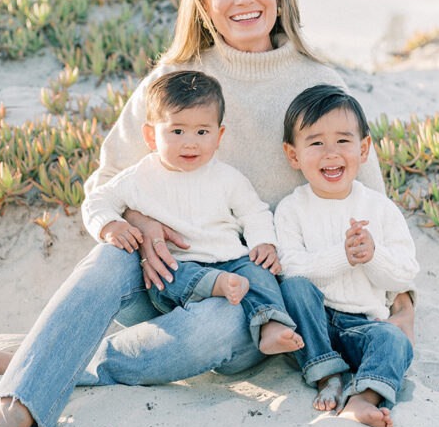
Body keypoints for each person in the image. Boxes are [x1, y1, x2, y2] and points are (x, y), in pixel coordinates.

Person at [0, 0, 416, 427]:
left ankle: (44, 359)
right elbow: (106, 183)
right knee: (107, 256)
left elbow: (373, 208)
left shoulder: (321, 87)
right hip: (159, 274)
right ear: (204, 2)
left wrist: (402, 311)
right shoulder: (175, 81)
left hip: (251, 300)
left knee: (215, 324)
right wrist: (138, 225)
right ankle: (8, 420)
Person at [84, 69, 302, 354]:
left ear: (219, 135)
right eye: (177, 131)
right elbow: (97, 201)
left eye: (202, 132)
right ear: (151, 136)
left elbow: (254, 212)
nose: (190, 142)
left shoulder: (227, 177)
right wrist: (110, 225)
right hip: (179, 264)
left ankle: (271, 325)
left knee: (258, 274)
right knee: (164, 279)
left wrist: (263, 242)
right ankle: (214, 285)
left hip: (229, 261)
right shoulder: (141, 176)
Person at [275, 85, 419, 427]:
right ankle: (328, 374)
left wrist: (372, 255)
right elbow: (291, 269)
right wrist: (343, 256)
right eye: (315, 143)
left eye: (343, 141)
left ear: (363, 148)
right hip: (313, 327)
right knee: (294, 289)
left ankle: (363, 397)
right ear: (293, 155)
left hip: (363, 325)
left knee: (395, 341)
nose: (331, 153)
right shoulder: (291, 209)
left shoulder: (380, 210)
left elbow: (404, 274)